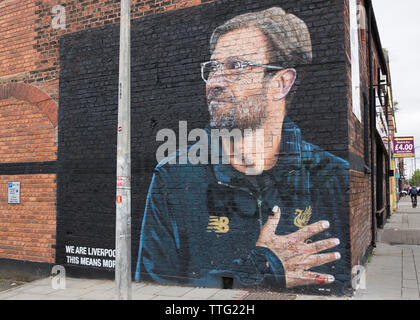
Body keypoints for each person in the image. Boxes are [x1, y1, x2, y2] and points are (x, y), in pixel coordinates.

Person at [135, 7, 350, 291]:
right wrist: (261, 269)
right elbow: (153, 290)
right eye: (212, 67)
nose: (215, 82)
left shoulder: (333, 176)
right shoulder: (175, 176)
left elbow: (341, 283)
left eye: (234, 67)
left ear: (281, 83)